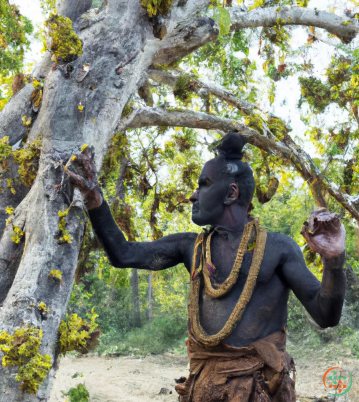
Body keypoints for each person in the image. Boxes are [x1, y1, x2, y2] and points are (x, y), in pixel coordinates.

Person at [67, 133, 346, 402]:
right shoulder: (190, 247)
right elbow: (123, 254)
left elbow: (326, 315)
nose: (193, 195)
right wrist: (95, 200)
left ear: (231, 193)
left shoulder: (278, 248)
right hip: (204, 389)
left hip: (260, 392)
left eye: (203, 184)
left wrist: (333, 261)